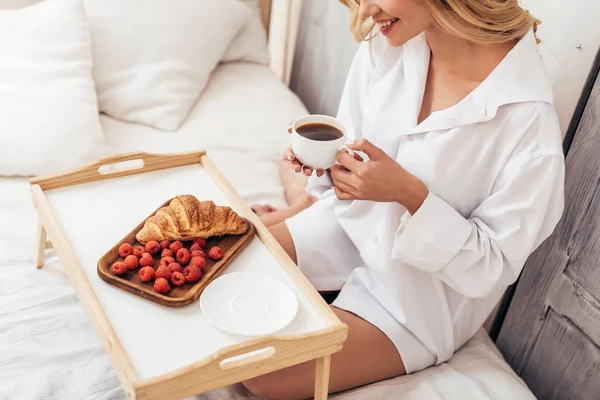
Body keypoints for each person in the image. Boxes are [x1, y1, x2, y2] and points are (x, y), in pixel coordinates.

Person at [244, 0, 565, 398]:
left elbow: (490, 268)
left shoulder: (529, 125)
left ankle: (294, 210)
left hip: (414, 303)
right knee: (224, 263)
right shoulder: (390, 41)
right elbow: (353, 143)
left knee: (259, 370)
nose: (365, 12)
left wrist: (409, 194)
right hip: (345, 229)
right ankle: (298, 204)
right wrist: (325, 160)